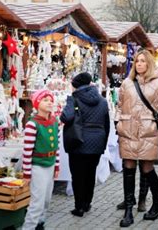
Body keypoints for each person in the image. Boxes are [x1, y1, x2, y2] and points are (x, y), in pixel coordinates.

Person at [115, 49, 158, 227]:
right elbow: (119, 105)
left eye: (143, 61)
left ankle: (157, 204)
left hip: (148, 132)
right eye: (137, 61)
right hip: (128, 130)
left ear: (149, 64)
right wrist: (119, 122)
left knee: (147, 168)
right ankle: (128, 209)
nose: (139, 64)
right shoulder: (127, 83)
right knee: (128, 168)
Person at [60, 72, 110, 217]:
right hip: (97, 141)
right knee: (90, 173)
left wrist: (69, 101)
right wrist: (103, 143)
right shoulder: (102, 100)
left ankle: (79, 207)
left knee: (78, 175)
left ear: (75, 86)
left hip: (78, 141)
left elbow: (66, 117)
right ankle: (87, 203)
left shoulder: (74, 98)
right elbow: (106, 125)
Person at [22, 89, 60, 230]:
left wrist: (56, 165)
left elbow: (57, 145)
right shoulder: (33, 124)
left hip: (50, 165)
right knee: (37, 201)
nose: (49, 103)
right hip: (37, 166)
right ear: (37, 104)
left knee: (46, 199)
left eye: (50, 100)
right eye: (45, 100)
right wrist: (27, 172)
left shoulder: (54, 122)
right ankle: (28, 227)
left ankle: (40, 223)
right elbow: (27, 151)